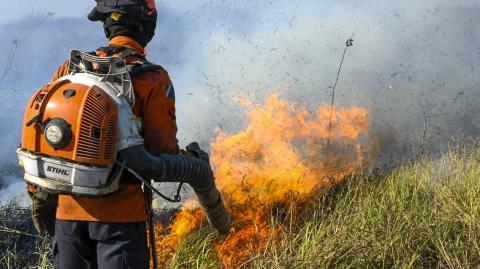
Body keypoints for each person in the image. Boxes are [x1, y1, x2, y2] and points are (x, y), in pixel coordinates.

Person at [28, 0, 181, 268]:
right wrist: (191, 160)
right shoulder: (152, 78)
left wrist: (39, 198)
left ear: (106, 25)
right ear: (146, 24)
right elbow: (162, 154)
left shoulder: (70, 70)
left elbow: (42, 135)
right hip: (119, 222)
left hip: (68, 218)